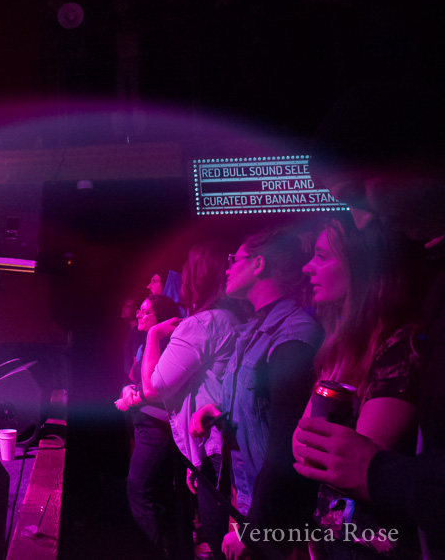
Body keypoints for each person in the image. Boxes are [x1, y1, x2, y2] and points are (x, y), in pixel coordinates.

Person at [292, 83, 445, 559]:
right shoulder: (345, 339)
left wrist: (379, 473)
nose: (362, 219)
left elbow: (347, 462)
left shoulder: (402, 339)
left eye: (357, 193)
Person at [190, 226, 324, 560]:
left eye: (235, 259)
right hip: (249, 504)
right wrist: (216, 410)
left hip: (274, 520)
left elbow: (285, 447)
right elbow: (258, 406)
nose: (228, 267)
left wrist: (255, 530)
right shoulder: (254, 331)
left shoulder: (293, 336)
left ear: (259, 264)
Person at [298, 214, 425, 559]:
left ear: (364, 266)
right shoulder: (339, 346)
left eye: (322, 257)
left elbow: (344, 466)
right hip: (335, 538)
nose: (308, 268)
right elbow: (302, 447)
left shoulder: (401, 347)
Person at [139, 241, 250, 560]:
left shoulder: (201, 324)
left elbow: (152, 389)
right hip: (223, 445)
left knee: (220, 545)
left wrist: (152, 336)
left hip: (215, 447)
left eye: (187, 269)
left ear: (196, 277)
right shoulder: (229, 318)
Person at [115, 294, 188, 559]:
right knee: (155, 493)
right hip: (145, 424)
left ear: (165, 318)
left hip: (157, 428)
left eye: (146, 312)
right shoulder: (145, 342)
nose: (139, 315)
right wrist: (128, 390)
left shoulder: (169, 346)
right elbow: (137, 380)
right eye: (140, 311)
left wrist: (134, 395)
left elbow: (154, 388)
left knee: (139, 490)